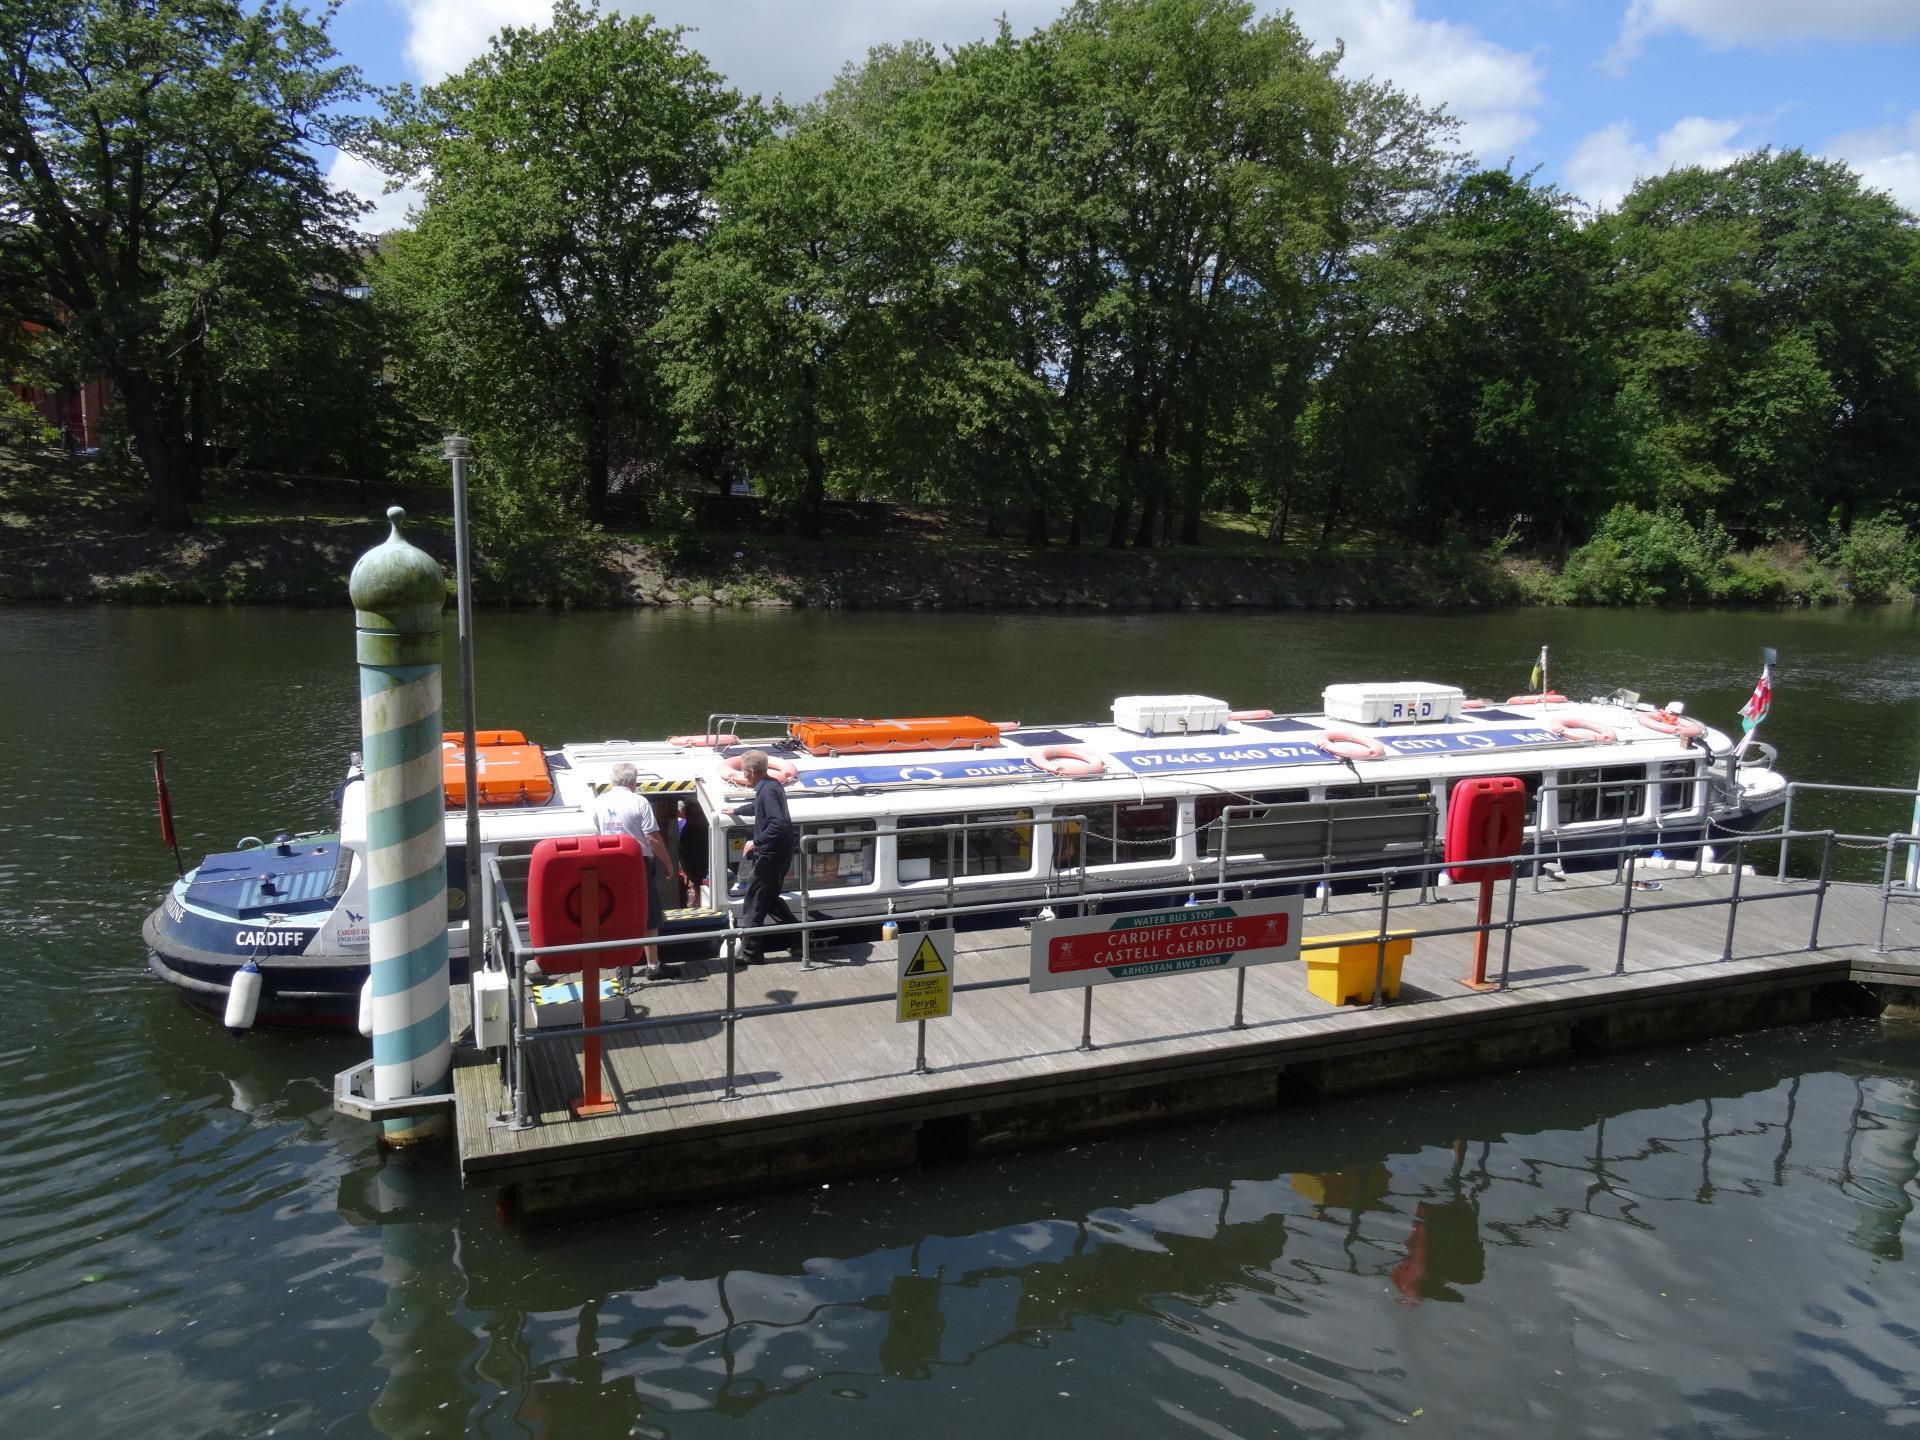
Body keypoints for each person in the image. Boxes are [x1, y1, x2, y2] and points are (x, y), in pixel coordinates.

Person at [593, 762, 673, 979]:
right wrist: (668, 862)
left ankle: (620, 965)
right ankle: (653, 966)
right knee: (650, 913)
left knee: (618, 911)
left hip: (609, 864)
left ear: (613, 781)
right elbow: (652, 837)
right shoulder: (639, 802)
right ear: (633, 782)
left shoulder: (599, 802)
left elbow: (598, 831)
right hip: (637, 864)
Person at [722, 750, 797, 968]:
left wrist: (757, 842)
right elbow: (758, 808)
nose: (744, 777)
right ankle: (801, 939)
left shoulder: (767, 792)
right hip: (780, 855)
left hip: (770, 857)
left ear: (752, 772)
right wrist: (736, 809)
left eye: (745, 773)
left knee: (753, 903)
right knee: (771, 901)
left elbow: (778, 823)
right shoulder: (771, 785)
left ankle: (752, 953)